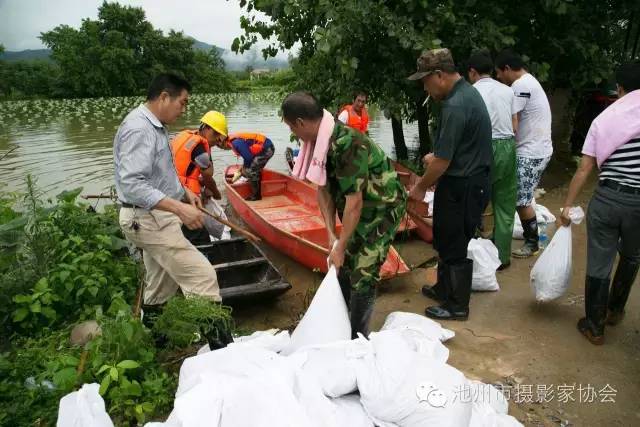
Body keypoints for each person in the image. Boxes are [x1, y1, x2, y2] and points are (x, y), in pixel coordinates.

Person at [281, 91, 406, 338]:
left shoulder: (347, 143)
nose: (294, 135)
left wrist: (341, 246)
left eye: (292, 128)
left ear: (300, 123)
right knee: (345, 264)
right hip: (358, 206)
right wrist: (331, 235)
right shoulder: (317, 143)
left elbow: (354, 203)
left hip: (381, 206)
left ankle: (358, 338)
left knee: (363, 272)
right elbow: (323, 190)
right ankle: (342, 321)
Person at [114, 73, 221, 316]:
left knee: (160, 285)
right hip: (146, 219)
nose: (184, 110)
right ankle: (220, 349)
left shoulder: (157, 126)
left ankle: (156, 340)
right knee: (203, 277)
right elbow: (132, 184)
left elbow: (159, 174)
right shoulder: (140, 129)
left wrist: (184, 194)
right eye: (182, 102)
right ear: (164, 97)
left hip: (153, 216)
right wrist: (180, 208)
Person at [557, 61, 640, 345]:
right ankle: (615, 310)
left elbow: (584, 168)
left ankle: (594, 325)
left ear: (619, 88)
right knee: (632, 255)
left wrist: (567, 207)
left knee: (600, 260)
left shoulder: (604, 119)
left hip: (607, 198)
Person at [407, 48, 492, 321]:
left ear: (439, 75)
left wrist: (420, 185)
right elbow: (454, 150)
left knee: (454, 243)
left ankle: (457, 305)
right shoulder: (463, 94)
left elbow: (442, 162)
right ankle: (444, 288)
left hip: (464, 184)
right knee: (445, 237)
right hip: (461, 180)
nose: (425, 87)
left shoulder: (456, 104)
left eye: (425, 81)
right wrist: (437, 158)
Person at [495, 49, 553, 258]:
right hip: (536, 148)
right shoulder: (529, 82)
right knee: (521, 196)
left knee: (521, 198)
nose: (499, 78)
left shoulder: (521, 86)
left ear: (508, 69)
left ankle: (532, 242)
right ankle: (528, 238)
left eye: (500, 73)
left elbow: (513, 123)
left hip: (531, 151)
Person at [467, 51, 517, 270]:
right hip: (508, 146)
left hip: (484, 147)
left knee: (473, 201)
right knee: (505, 204)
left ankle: (469, 255)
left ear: (472, 72)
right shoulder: (508, 90)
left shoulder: (470, 92)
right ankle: (503, 258)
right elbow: (515, 125)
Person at [170, 111, 228, 244]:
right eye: (216, 134)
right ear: (206, 128)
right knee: (199, 236)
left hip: (172, 189)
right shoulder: (199, 148)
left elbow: (187, 170)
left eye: (221, 137)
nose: (218, 139)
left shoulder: (185, 136)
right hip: (184, 197)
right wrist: (216, 193)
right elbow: (208, 175)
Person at [222, 132, 275, 201]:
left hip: (266, 149)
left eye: (221, 147)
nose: (224, 149)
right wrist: (243, 168)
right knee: (253, 169)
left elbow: (249, 158)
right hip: (266, 147)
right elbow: (248, 156)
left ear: (224, 143)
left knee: (251, 170)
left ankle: (256, 196)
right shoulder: (234, 141)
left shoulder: (236, 143)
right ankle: (256, 189)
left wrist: (244, 169)